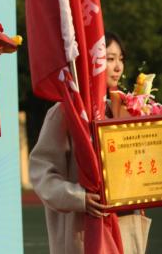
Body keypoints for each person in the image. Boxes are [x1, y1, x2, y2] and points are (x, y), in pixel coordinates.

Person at [29, 32, 151, 253]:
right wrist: (79, 198)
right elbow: (41, 173)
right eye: (110, 59)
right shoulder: (66, 113)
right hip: (83, 231)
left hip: (125, 226)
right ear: (90, 62)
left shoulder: (124, 111)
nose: (118, 67)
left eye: (121, 59)